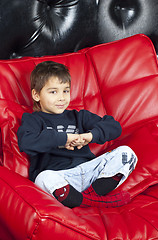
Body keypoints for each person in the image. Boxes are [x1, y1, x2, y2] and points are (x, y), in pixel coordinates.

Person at [17, 61, 137, 208]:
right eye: (53, 92)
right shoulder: (33, 120)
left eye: (65, 91)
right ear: (36, 95)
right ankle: (96, 202)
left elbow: (114, 127)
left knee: (127, 154)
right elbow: (26, 142)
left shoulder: (78, 116)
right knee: (42, 178)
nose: (61, 98)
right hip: (60, 179)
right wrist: (64, 138)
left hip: (89, 173)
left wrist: (90, 136)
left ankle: (86, 199)